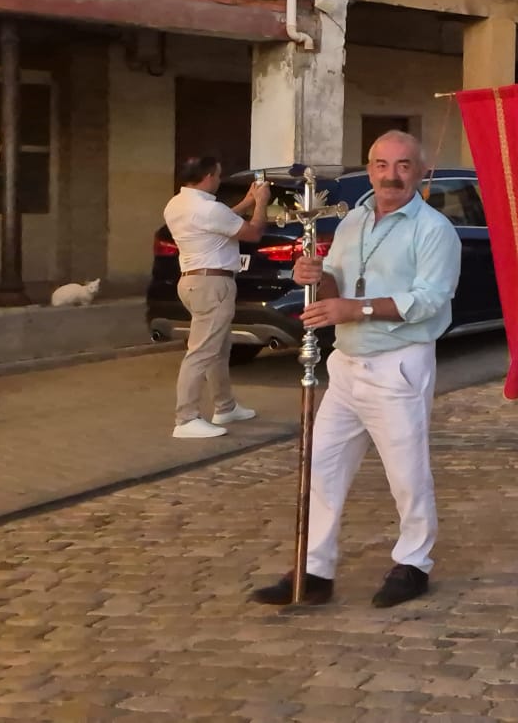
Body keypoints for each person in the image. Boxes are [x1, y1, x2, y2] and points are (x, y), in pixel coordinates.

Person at [251, 131, 461, 609]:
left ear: (420, 171)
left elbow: (429, 302)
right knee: (322, 466)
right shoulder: (353, 222)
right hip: (344, 364)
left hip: (398, 364)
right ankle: (315, 570)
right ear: (369, 168)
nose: (392, 175)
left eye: (404, 165)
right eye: (382, 164)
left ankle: (414, 563)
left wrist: (355, 309)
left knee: (406, 475)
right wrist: (316, 277)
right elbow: (335, 287)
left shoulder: (433, 230)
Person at [163, 156, 270, 439]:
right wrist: (261, 202)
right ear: (209, 176)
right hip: (213, 284)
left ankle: (225, 406)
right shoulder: (210, 209)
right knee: (201, 352)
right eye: (219, 175)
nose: (220, 180)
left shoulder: (177, 204)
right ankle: (185, 419)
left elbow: (218, 222)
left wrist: (246, 202)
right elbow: (253, 232)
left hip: (192, 281)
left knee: (219, 349)